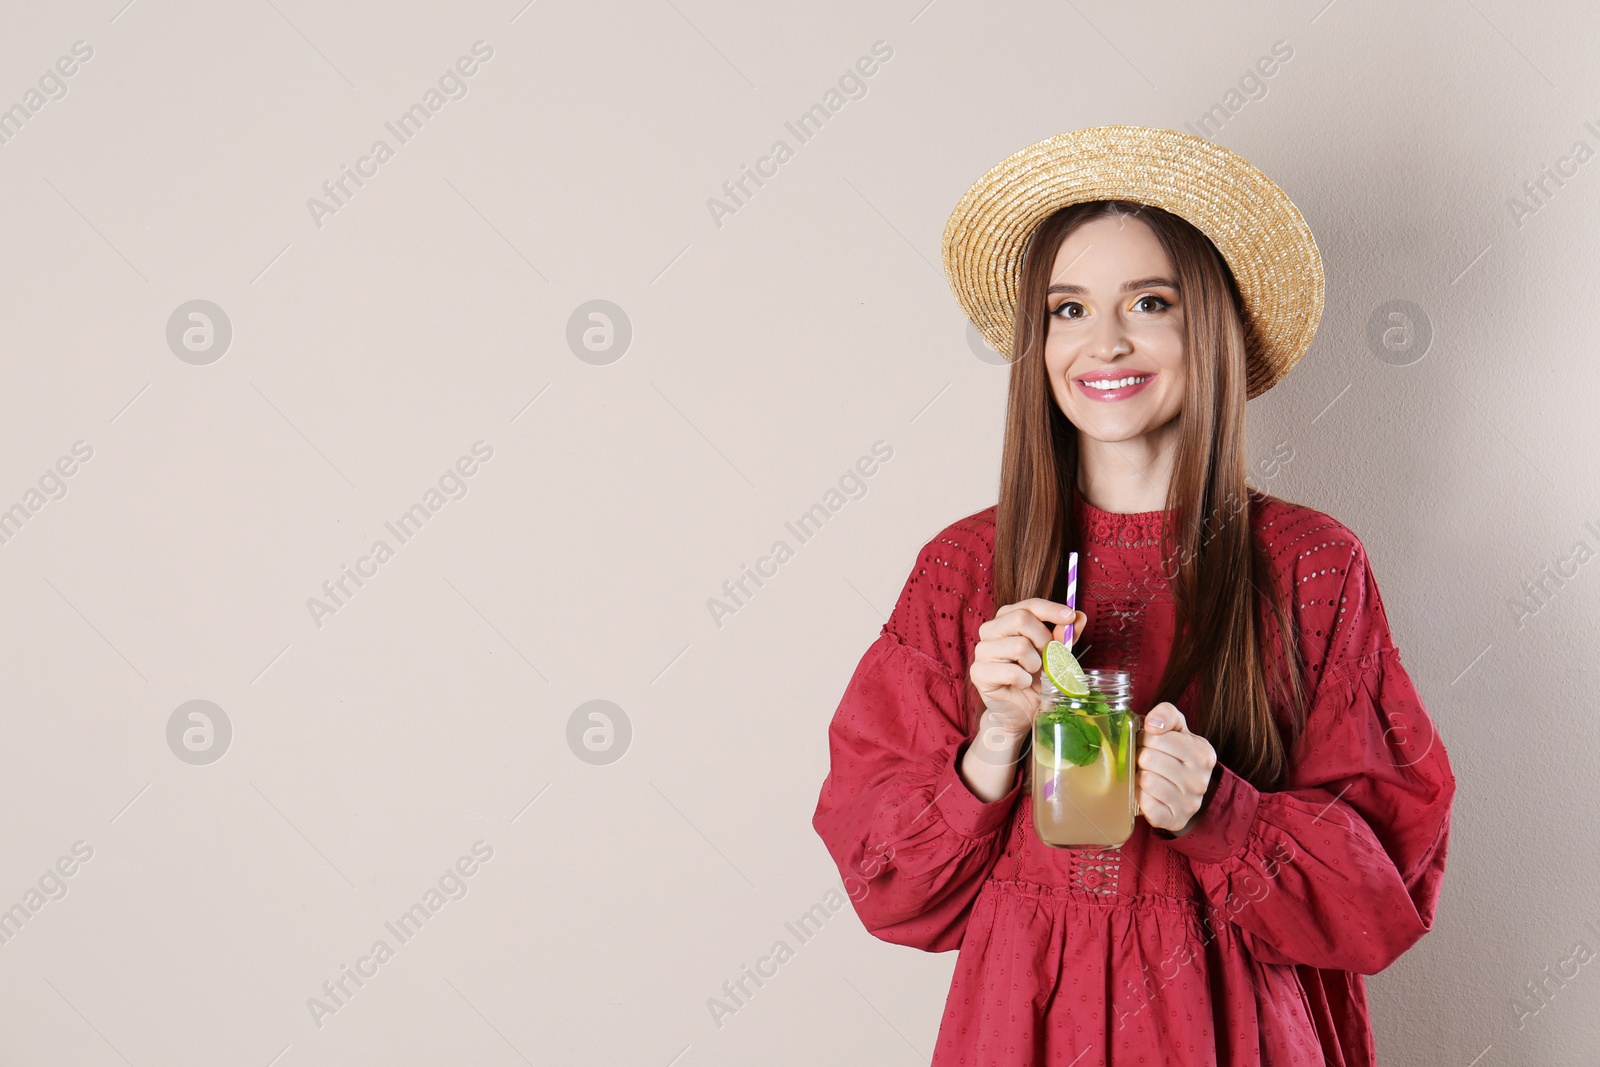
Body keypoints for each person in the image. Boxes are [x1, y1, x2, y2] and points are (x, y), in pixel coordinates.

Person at [810, 126, 1457, 1066]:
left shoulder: (1311, 564)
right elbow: (888, 888)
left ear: (1214, 325)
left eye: (1148, 301)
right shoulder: (964, 568)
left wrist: (1219, 812)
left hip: (1235, 1029)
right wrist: (993, 745)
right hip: (1023, 1025)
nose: (1102, 340)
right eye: (1067, 308)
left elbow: (1386, 900)